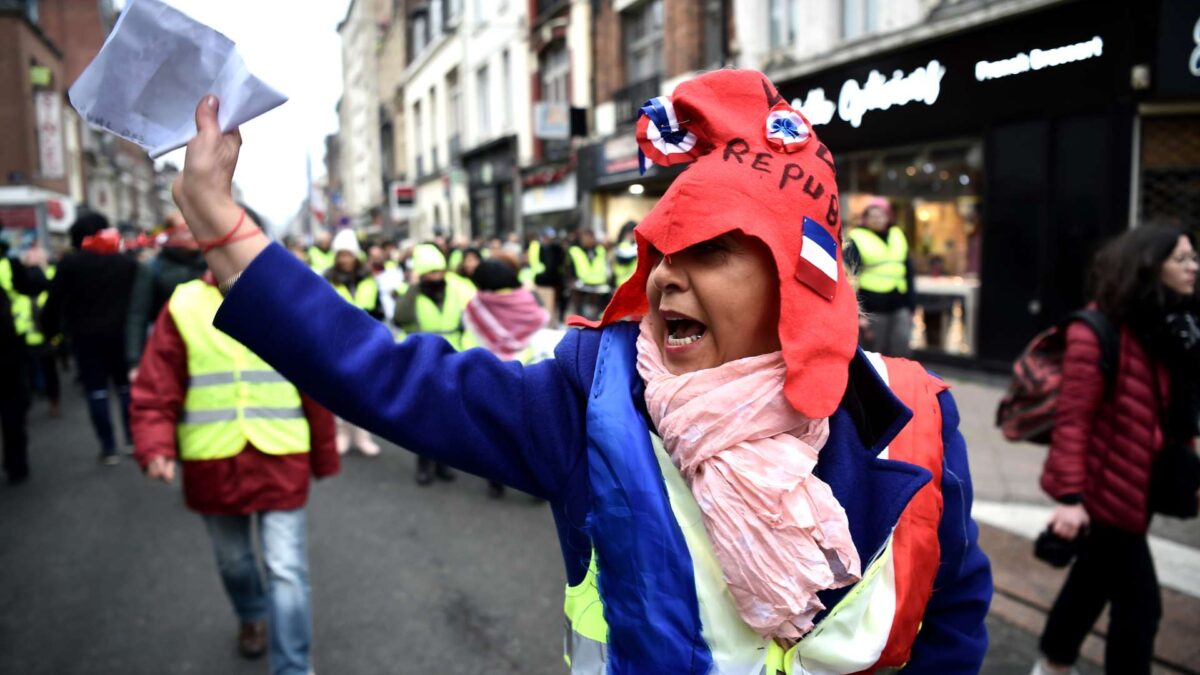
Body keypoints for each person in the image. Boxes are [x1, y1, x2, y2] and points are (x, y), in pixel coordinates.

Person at [172, 70, 991, 672]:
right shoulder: (589, 398)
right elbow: (389, 376)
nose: (668, 275)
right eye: (662, 248)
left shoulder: (913, 416)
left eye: (708, 249)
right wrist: (224, 229)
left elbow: (952, 606)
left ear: (797, 282)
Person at [131, 271, 338, 675]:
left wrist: (325, 453)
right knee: (234, 563)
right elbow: (158, 385)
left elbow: (314, 382)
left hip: (281, 454)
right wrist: (155, 445)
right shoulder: (185, 304)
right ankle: (251, 614)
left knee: (287, 570)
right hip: (213, 459)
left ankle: (293, 668)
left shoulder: (286, 299)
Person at [1035, 225, 1200, 675]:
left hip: (1141, 484)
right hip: (1106, 491)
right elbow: (1073, 418)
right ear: (1150, 264)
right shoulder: (1097, 329)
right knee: (1141, 608)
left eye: (1193, 257)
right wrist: (1069, 499)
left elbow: (1175, 411)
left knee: (1089, 586)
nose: (1193, 268)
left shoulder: (1171, 327)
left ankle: (1052, 664)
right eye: (1182, 259)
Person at [42, 213, 138, 465]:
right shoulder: (124, 262)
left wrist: (51, 334)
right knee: (126, 388)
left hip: (85, 338)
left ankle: (108, 449)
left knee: (97, 392)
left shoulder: (70, 264)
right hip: (122, 336)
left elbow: (53, 303)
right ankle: (131, 440)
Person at [462, 256, 550, 497]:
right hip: (529, 370)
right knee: (531, 430)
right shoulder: (528, 298)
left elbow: (472, 336)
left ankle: (496, 480)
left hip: (494, 372)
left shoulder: (476, 306)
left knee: (496, 429)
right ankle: (537, 483)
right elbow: (543, 323)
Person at [394, 243, 475, 485]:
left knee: (449, 415)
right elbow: (401, 318)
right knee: (424, 416)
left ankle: (443, 463)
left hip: (452, 356)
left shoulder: (456, 288)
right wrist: (412, 289)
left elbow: (473, 311)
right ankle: (424, 464)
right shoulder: (411, 292)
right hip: (423, 359)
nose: (437, 276)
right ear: (421, 273)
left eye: (440, 271)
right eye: (431, 272)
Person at [126, 210, 207, 377]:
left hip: (209, 346)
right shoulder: (152, 268)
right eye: (185, 229)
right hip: (171, 348)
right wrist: (134, 361)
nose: (192, 234)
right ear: (170, 235)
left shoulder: (212, 263)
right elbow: (138, 315)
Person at [324, 229, 383, 456]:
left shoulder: (368, 278)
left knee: (365, 392)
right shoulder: (328, 279)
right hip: (338, 342)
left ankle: (362, 435)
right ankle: (342, 434)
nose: (345, 259)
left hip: (366, 342)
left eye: (349, 254)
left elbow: (378, 310)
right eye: (341, 255)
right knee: (339, 391)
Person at [845, 198, 916, 357]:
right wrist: (857, 314)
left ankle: (897, 382)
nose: (877, 219)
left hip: (899, 303)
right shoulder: (856, 238)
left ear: (888, 216)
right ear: (865, 218)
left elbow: (908, 271)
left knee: (901, 347)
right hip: (872, 306)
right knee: (874, 352)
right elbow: (848, 277)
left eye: (881, 215)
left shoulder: (897, 234)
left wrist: (912, 305)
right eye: (873, 216)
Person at [566, 228, 611, 321]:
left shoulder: (600, 250)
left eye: (590, 237)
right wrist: (571, 281)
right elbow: (569, 267)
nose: (587, 240)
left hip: (598, 284)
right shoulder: (575, 251)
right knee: (579, 307)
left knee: (597, 310)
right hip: (581, 284)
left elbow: (605, 266)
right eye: (585, 237)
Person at [611, 221, 639, 288]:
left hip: (634, 282)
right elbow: (625, 256)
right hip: (623, 283)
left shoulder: (634, 246)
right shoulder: (623, 246)